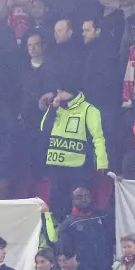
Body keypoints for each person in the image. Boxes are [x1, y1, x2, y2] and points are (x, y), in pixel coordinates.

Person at [40, 79, 108, 216]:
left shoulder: (88, 110)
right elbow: (44, 129)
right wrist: (52, 109)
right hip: (57, 165)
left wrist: (102, 161)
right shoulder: (55, 108)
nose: (58, 94)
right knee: (57, 205)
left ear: (71, 92)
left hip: (79, 167)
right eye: (57, 91)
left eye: (61, 91)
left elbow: (98, 137)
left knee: (80, 203)